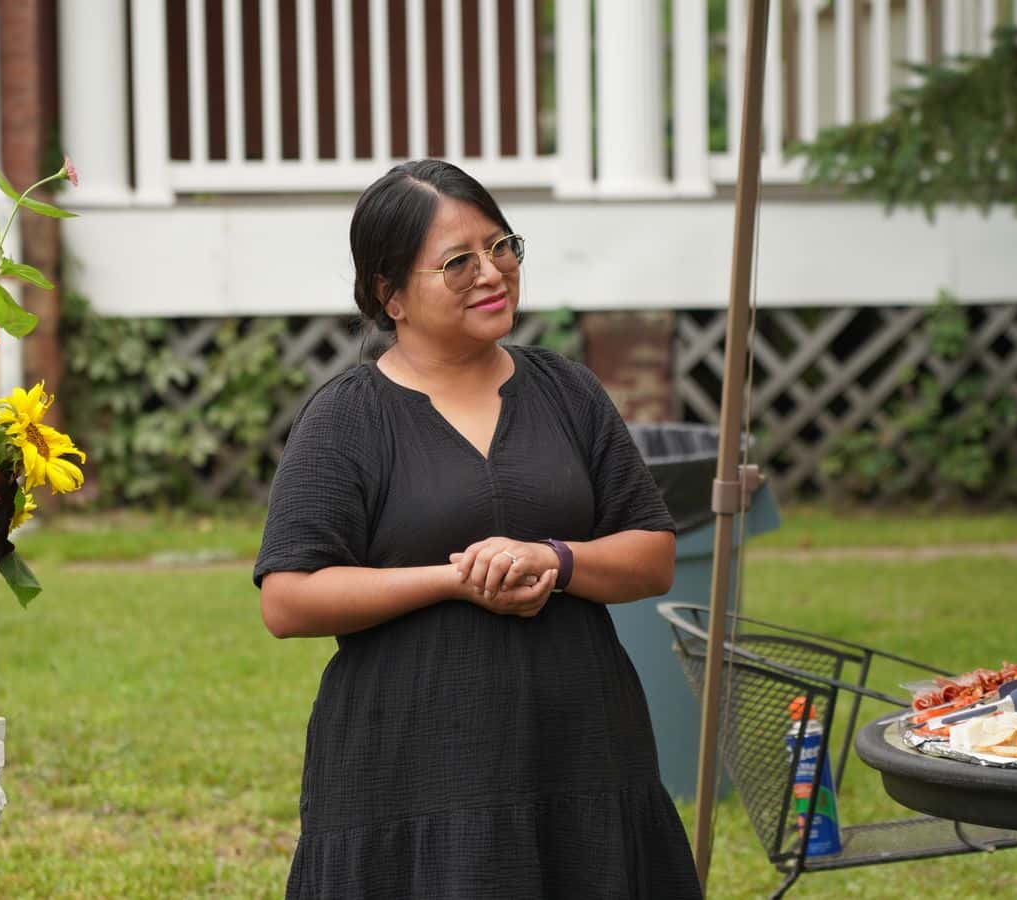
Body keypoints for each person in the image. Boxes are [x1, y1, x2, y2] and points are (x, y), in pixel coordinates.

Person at [254, 159, 701, 899]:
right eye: (457, 262)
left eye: (501, 247)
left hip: (581, 750)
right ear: (388, 294)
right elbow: (289, 598)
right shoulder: (347, 418)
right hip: (411, 770)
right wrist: (459, 580)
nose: (491, 273)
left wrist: (554, 559)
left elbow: (652, 554)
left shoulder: (567, 390)